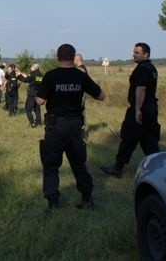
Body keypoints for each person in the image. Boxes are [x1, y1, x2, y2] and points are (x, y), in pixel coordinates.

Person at [36, 44, 105, 212]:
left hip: (56, 125)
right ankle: (87, 199)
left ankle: (52, 202)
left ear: (58, 57)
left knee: (51, 165)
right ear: (73, 57)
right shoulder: (80, 76)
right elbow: (101, 95)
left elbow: (39, 101)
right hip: (75, 125)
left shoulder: (51, 76)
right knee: (79, 164)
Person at [101, 42, 159, 178]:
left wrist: (138, 109)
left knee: (128, 138)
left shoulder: (143, 69)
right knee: (149, 140)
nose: (134, 54)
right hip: (151, 109)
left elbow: (141, 89)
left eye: (137, 52)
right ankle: (158, 167)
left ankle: (117, 168)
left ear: (146, 54)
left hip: (141, 109)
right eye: (134, 52)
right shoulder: (152, 68)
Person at [17, 63, 43, 127]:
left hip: (32, 93)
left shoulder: (32, 73)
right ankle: (38, 122)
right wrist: (22, 74)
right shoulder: (40, 74)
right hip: (38, 93)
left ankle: (32, 123)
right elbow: (33, 80)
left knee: (28, 109)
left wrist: (19, 76)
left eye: (31, 67)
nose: (30, 68)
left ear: (33, 67)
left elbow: (25, 80)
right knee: (37, 108)